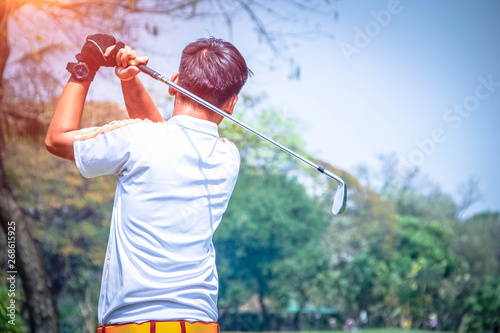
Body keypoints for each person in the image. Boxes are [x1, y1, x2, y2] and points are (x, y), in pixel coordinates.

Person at [45, 33, 251, 333]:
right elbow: (162, 138)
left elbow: (56, 139)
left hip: (133, 326)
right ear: (231, 104)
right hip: (201, 325)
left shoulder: (139, 139)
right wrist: (129, 81)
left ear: (173, 82)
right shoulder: (228, 156)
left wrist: (86, 65)